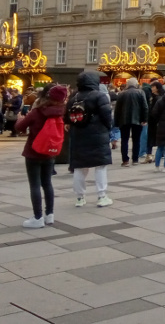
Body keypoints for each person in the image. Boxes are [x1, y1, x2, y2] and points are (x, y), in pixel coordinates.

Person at [16, 85, 68, 228]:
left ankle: (37, 217)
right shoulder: (60, 112)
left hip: (34, 151)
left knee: (35, 185)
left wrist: (19, 119)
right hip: (50, 152)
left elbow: (20, 127)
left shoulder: (37, 112)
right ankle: (49, 214)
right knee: (47, 183)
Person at [66, 72, 114, 207]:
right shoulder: (100, 96)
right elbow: (107, 116)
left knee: (80, 167)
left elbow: (67, 118)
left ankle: (80, 198)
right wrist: (107, 128)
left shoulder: (73, 97)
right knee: (100, 166)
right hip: (98, 136)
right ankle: (102, 196)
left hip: (78, 135)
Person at [114, 78, 148, 166]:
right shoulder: (140, 92)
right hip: (137, 119)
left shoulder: (122, 93)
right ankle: (135, 159)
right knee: (136, 140)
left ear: (127, 85)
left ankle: (125, 160)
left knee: (124, 140)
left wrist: (116, 122)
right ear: (136, 84)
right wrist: (144, 119)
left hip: (123, 120)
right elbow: (145, 107)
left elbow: (117, 109)